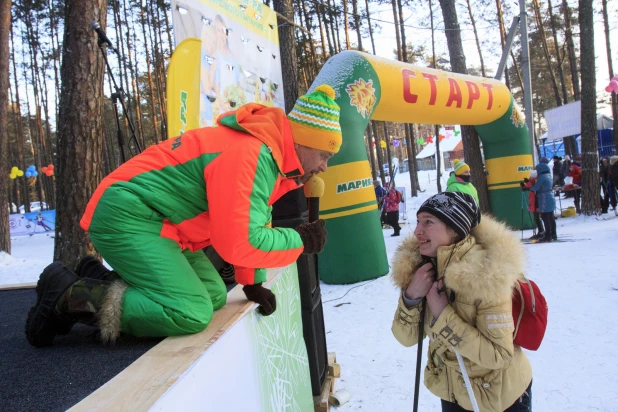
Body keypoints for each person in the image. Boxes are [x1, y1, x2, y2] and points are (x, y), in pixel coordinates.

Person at [25, 85, 341, 347]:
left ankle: (96, 275)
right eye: (325, 155)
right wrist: (298, 240)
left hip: (160, 224)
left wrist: (251, 282)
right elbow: (240, 241)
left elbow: (246, 223)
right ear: (304, 140)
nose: (324, 166)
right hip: (128, 215)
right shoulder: (252, 155)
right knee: (190, 311)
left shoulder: (268, 158)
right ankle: (69, 295)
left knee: (215, 294)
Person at [391, 192, 532, 412]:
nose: (418, 231)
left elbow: (499, 356)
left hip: (498, 398)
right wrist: (412, 296)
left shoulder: (485, 274)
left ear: (455, 229)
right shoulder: (424, 268)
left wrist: (442, 314)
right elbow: (406, 338)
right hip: (454, 391)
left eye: (428, 222)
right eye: (418, 222)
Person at [530, 163, 557, 242]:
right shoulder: (549, 176)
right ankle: (553, 234)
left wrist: (529, 187)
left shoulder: (542, 177)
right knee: (551, 217)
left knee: (545, 217)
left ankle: (548, 236)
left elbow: (536, 187)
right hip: (550, 196)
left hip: (544, 197)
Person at [520, 170, 545, 239]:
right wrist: (525, 186)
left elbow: (533, 188)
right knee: (536, 217)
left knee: (537, 217)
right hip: (533, 200)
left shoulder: (536, 181)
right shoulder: (533, 181)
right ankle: (541, 231)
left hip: (536, 200)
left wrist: (526, 185)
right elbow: (530, 186)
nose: (530, 178)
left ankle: (541, 231)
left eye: (531, 177)